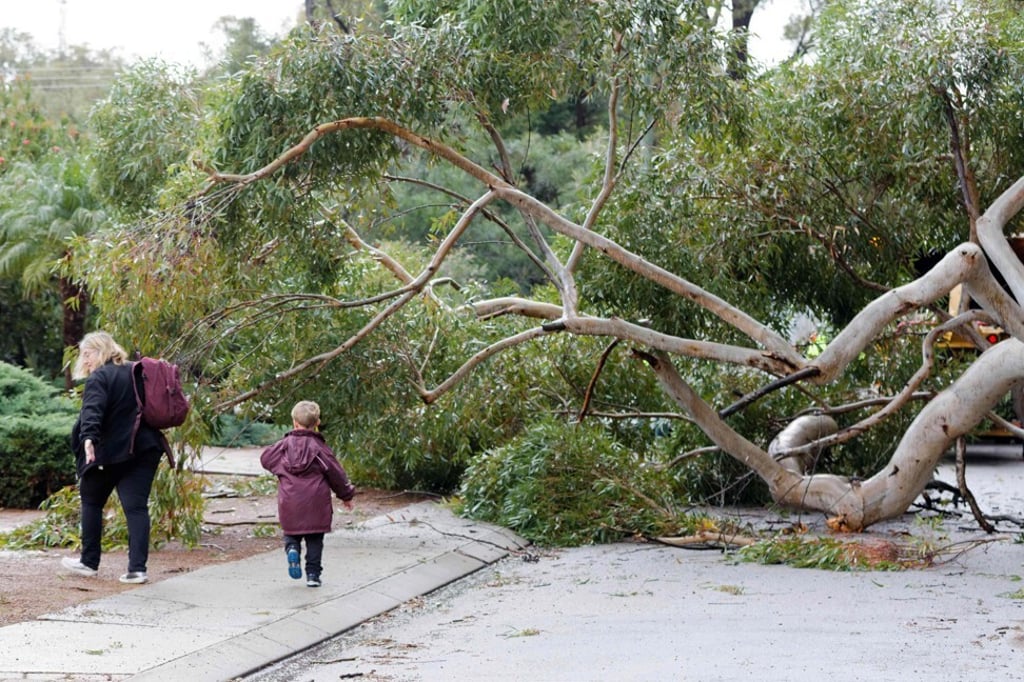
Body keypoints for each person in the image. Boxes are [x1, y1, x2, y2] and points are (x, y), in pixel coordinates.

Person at [61, 331, 166, 584]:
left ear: (100, 351)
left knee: (92, 500)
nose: (84, 360)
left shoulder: (100, 376)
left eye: (87, 354)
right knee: (136, 507)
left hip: (110, 452)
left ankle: (89, 562)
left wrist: (88, 438)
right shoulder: (136, 371)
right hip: (144, 449)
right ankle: (137, 570)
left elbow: (92, 410)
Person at [260, 400, 355, 587]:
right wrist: (346, 495)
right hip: (316, 503)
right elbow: (336, 473)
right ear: (317, 423)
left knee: (291, 533)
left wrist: (281, 470)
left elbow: (266, 459)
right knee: (315, 539)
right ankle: (312, 575)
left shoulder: (283, 446)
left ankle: (292, 549)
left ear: (294, 422)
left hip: (289, 501)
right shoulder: (320, 448)